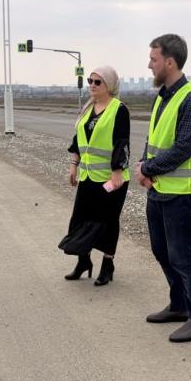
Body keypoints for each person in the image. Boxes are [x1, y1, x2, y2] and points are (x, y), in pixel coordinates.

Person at [134, 34, 191, 343]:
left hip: (181, 192)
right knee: (162, 251)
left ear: (169, 62)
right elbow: (153, 138)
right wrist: (143, 164)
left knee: (184, 255)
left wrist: (148, 169)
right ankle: (179, 305)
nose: (149, 65)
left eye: (153, 60)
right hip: (158, 188)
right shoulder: (163, 96)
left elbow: (183, 147)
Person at [60, 66, 131, 286]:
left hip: (111, 179)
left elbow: (122, 143)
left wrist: (117, 171)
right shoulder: (87, 108)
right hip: (88, 176)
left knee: (108, 222)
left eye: (97, 82)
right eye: (90, 81)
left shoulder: (119, 109)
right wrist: (74, 165)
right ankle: (84, 261)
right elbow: (78, 140)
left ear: (109, 85)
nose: (92, 85)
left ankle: (108, 265)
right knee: (81, 220)